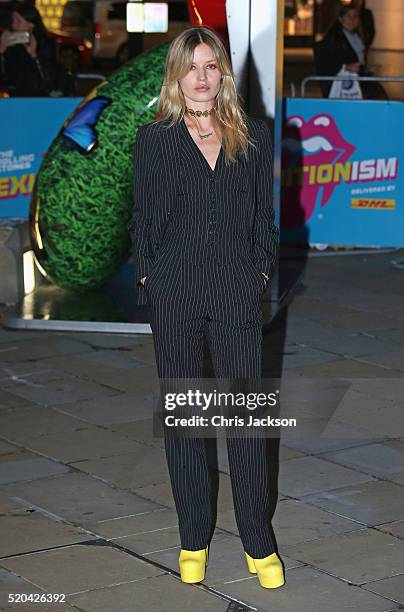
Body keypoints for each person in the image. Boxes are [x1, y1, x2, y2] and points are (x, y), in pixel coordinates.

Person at [128, 26, 285, 589]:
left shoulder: (253, 137)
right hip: (176, 295)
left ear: (222, 74)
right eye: (191, 66)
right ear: (176, 75)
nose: (201, 76)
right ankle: (192, 537)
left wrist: (260, 273)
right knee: (189, 424)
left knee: (245, 422)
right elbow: (143, 217)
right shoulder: (155, 140)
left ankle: (258, 543)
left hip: (236, 293)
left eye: (211, 65)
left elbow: (261, 216)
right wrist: (149, 277)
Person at [313, 3, 386, 99]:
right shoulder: (333, 38)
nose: (352, 20)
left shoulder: (356, 36)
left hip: (355, 81)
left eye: (355, 17)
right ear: (340, 19)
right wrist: (345, 67)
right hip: (342, 85)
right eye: (349, 16)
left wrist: (366, 70)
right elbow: (325, 62)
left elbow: (356, 59)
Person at [0, 2, 72, 96]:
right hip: (15, 99)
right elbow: (4, 77)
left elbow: (48, 78)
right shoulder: (11, 45)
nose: (14, 24)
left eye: (18, 20)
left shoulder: (45, 43)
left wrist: (34, 56)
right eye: (13, 19)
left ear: (31, 24)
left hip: (39, 98)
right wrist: (1, 50)